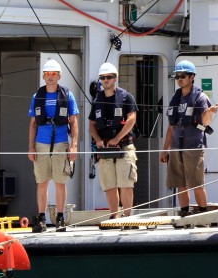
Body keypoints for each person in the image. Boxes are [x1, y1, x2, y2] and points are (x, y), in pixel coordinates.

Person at [160, 60, 218, 217]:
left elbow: (205, 122)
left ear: (192, 77)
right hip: (176, 146)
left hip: (193, 146)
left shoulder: (200, 97)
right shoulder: (176, 98)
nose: (179, 79)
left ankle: (203, 214)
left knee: (197, 184)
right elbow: (171, 127)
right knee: (180, 183)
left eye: (183, 75)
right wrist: (165, 149)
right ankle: (184, 213)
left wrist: (209, 112)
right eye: (177, 76)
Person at [27, 59, 79, 232]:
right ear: (43, 76)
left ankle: (60, 218)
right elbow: (33, 123)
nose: (50, 77)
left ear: (59, 76)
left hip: (61, 143)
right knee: (42, 182)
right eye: (48, 74)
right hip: (41, 144)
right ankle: (41, 219)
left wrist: (74, 146)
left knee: (60, 182)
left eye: (54, 74)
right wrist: (31, 147)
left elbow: (74, 121)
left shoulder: (67, 95)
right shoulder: (37, 96)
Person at [88, 62, 138, 219]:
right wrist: (97, 139)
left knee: (125, 183)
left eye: (109, 77)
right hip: (104, 148)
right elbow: (91, 124)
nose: (106, 80)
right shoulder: (97, 100)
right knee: (109, 184)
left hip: (123, 146)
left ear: (115, 78)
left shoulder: (126, 97)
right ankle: (114, 216)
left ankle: (128, 217)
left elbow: (132, 119)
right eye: (103, 78)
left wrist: (117, 138)